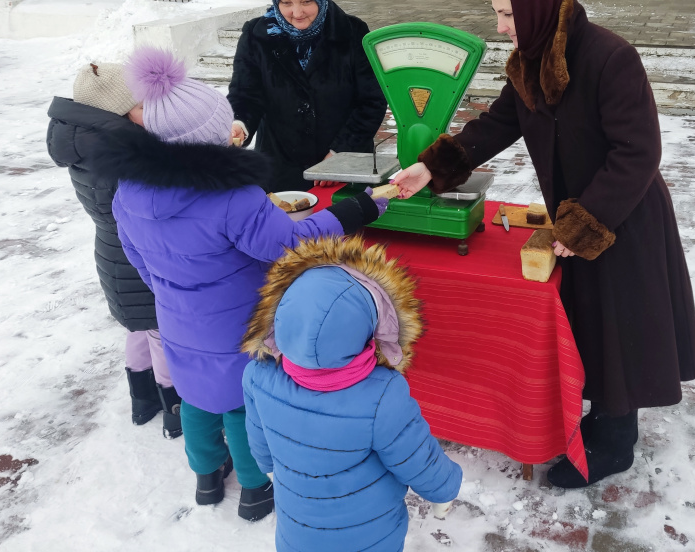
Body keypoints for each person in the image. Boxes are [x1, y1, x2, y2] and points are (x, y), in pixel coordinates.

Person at [393, 0, 695, 489]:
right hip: (573, 216)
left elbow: (638, 152)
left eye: (507, 14)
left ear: (537, 8)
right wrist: (431, 166)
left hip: (621, 215)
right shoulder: (531, 59)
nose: (501, 27)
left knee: (618, 326)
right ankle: (601, 415)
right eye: (497, 13)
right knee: (589, 321)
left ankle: (614, 443)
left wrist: (584, 224)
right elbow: (497, 124)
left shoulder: (611, 57)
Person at [92, 47, 387, 522]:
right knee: (241, 406)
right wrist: (354, 211)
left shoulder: (129, 190)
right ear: (210, 137)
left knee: (196, 399)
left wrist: (171, 293)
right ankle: (253, 490)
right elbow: (288, 243)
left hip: (177, 318)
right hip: (239, 325)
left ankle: (207, 480)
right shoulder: (231, 195)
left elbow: (138, 260)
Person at [241, 236, 463, 551]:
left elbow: (258, 435)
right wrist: (445, 490)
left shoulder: (259, 376)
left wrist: (268, 466)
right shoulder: (381, 396)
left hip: (297, 533)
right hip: (370, 537)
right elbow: (415, 457)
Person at [46, 62, 182, 438]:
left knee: (138, 328)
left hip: (112, 254)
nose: (151, 111)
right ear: (119, 111)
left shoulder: (83, 139)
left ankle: (143, 401)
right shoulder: (119, 152)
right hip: (137, 258)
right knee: (160, 333)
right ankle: (175, 410)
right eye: (143, 105)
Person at [227, 0, 387, 192]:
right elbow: (245, 94)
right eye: (286, 3)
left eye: (306, 1)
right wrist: (240, 122)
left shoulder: (351, 33)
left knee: (342, 228)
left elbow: (371, 101)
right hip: (280, 169)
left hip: (344, 168)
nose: (297, 12)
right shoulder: (257, 36)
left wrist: (339, 154)